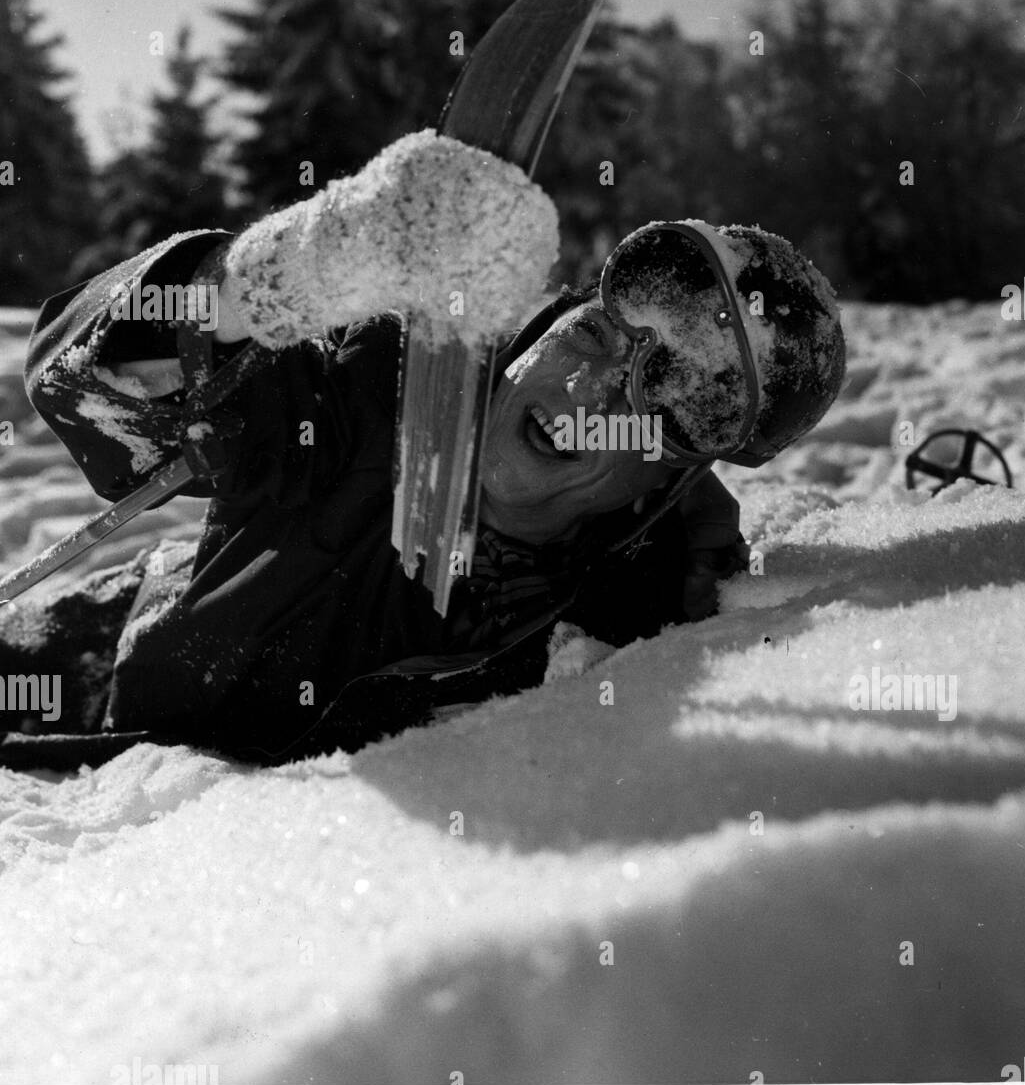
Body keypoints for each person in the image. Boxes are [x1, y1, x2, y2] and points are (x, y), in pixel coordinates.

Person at [1, 132, 845, 764]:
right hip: (104, 654)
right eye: (591, 337)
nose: (586, 390)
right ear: (543, 330)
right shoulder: (367, 388)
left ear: (658, 484)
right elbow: (81, 380)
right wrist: (288, 277)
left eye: (640, 403)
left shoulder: (653, 598)